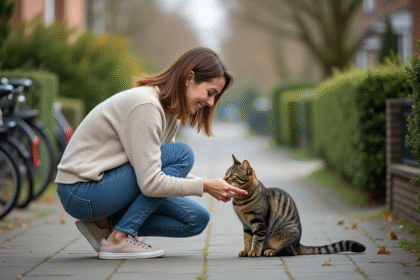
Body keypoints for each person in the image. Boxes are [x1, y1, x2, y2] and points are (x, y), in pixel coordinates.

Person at [55, 47, 247, 260]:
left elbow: (166, 172)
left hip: (100, 189)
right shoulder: (146, 105)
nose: (210, 103)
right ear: (189, 78)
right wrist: (204, 186)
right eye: (210, 92)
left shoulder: (169, 113)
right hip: (81, 191)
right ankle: (120, 238)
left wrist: (208, 185)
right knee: (183, 154)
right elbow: (152, 182)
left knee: (196, 218)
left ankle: (104, 225)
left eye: (215, 96)